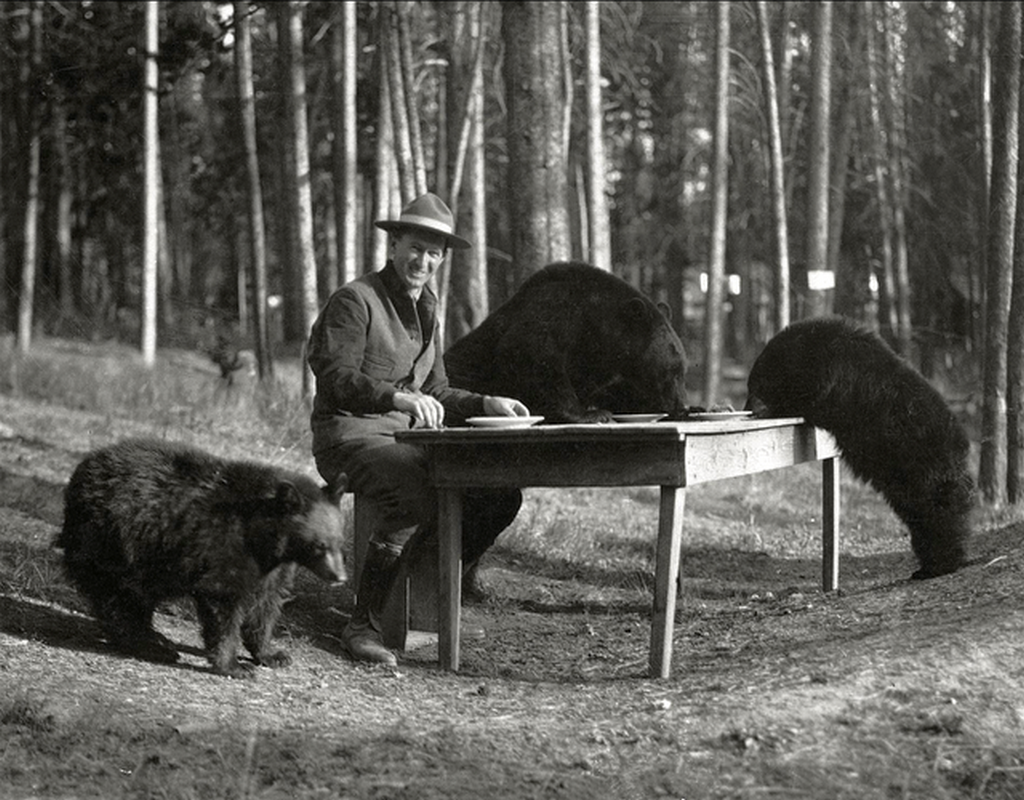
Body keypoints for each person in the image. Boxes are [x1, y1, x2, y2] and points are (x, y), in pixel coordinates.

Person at [307, 192, 530, 666]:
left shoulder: (428, 308)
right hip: (349, 435)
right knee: (414, 486)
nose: (422, 260)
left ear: (443, 259)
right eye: (414, 247)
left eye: (433, 253)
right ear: (394, 245)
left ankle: (429, 606)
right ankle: (362, 625)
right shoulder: (356, 300)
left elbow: (439, 391)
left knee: (499, 493)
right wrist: (396, 397)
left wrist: (486, 402)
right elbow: (335, 376)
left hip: (407, 438)